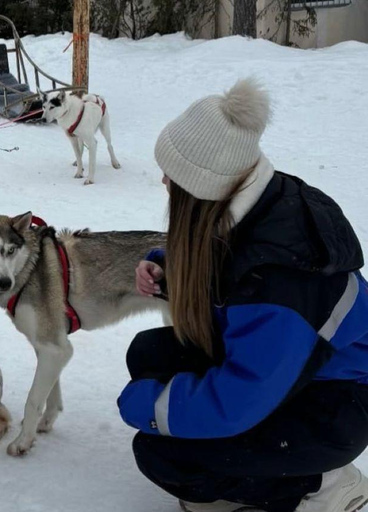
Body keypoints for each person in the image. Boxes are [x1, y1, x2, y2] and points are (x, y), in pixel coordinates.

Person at [119, 78, 368, 512]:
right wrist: (171, 271)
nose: (162, 179)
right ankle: (253, 468)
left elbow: (237, 399)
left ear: (202, 187)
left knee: (164, 455)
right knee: (149, 355)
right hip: (297, 371)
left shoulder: (281, 282)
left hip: (337, 403)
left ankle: (320, 482)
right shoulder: (258, 197)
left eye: (172, 174)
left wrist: (149, 408)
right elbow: (231, 264)